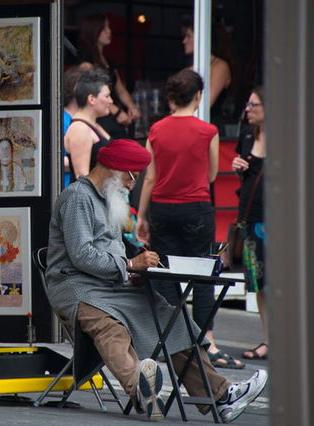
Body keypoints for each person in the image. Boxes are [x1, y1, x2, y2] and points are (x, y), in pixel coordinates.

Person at [46, 139, 267, 422]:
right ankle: (140, 386)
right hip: (77, 288)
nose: (133, 183)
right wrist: (128, 265)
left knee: (171, 318)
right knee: (110, 328)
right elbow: (81, 255)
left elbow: (110, 251)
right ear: (115, 169)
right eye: (132, 175)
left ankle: (221, 397)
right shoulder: (78, 196)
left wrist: (134, 268)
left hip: (110, 284)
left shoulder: (106, 198)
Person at [136, 69, 244, 370]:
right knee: (204, 275)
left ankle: (176, 338)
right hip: (196, 208)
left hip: (162, 208)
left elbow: (150, 178)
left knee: (166, 274)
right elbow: (211, 175)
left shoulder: (156, 130)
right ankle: (204, 341)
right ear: (198, 96)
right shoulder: (208, 131)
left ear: (171, 97)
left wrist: (141, 216)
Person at [232, 87, 268, 360]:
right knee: (260, 284)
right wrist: (237, 166)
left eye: (253, 104)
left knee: (281, 283)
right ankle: (269, 340)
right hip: (251, 219)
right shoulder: (246, 136)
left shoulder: (286, 141)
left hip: (278, 221)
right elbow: (245, 173)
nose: (247, 109)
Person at [77, 14, 141, 139]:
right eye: (104, 28)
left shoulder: (108, 61)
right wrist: (116, 112)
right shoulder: (86, 61)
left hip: (113, 116)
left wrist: (132, 107)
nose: (109, 31)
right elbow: (92, 92)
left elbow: (121, 90)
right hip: (101, 118)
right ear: (94, 31)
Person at [182, 21, 236, 135]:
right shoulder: (187, 70)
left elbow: (207, 102)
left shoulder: (220, 66)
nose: (184, 41)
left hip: (210, 126)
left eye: (188, 36)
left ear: (201, 38)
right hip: (187, 126)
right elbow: (173, 101)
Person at [64, 67, 112, 181]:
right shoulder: (80, 129)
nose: (111, 101)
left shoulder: (93, 124)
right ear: (92, 99)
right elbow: (82, 177)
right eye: (107, 96)